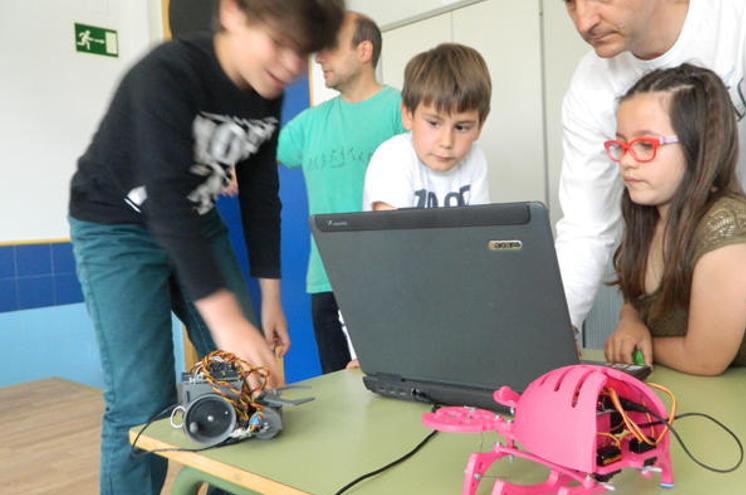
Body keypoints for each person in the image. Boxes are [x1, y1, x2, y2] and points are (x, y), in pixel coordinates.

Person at [67, 0, 344, 493]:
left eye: (302, 53)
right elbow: (165, 200)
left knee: (246, 383)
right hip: (117, 227)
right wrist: (228, 320)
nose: (290, 66)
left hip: (196, 220)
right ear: (234, 13)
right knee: (140, 403)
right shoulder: (166, 74)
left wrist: (270, 299)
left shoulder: (267, 88)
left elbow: (262, 194)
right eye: (279, 44)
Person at [556, 0, 746, 392]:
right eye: (570, 3)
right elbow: (586, 226)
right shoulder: (591, 82)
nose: (584, 21)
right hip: (687, 247)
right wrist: (552, 333)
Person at [604, 63, 746, 375]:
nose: (626, 161)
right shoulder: (646, 212)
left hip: (743, 410)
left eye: (645, 145)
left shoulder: (729, 229)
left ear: (699, 146)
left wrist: (643, 340)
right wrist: (631, 321)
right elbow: (637, 299)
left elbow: (705, 360)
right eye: (622, 144)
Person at [277, 11, 405, 374]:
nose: (319, 57)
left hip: (387, 279)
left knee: (395, 387)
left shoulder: (402, 110)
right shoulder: (310, 124)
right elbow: (254, 154)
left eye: (330, 47)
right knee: (340, 394)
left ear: (364, 51)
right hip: (325, 281)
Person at [363, 42, 491, 211]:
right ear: (408, 115)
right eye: (433, 123)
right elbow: (393, 235)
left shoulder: (475, 158)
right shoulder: (392, 157)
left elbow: (481, 228)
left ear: (480, 126)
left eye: (461, 127)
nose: (446, 142)